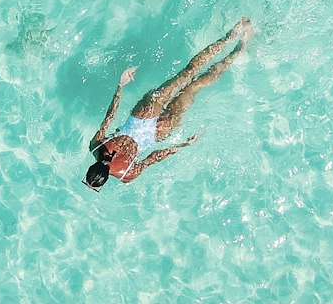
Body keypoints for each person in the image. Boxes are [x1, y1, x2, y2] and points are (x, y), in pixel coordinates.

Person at [84, 18, 252, 189]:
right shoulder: (96, 147)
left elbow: (155, 157)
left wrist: (182, 145)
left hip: (154, 133)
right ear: (91, 167)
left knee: (194, 86)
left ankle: (238, 50)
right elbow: (109, 117)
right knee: (189, 73)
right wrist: (120, 86)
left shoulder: (127, 174)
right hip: (143, 114)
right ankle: (230, 38)